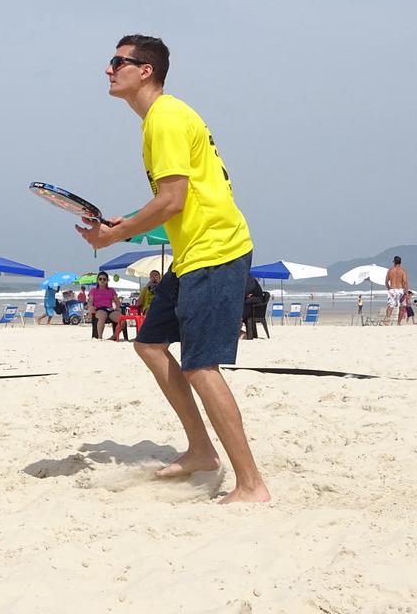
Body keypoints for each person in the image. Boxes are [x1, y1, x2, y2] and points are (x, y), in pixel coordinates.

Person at [77, 34, 269, 503]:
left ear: (145, 70)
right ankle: (201, 450)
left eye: (117, 61)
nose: (108, 69)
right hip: (196, 252)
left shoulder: (163, 118)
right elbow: (178, 201)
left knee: (202, 366)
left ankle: (251, 485)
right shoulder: (165, 117)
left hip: (215, 251)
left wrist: (113, 236)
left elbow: (173, 199)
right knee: (148, 342)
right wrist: (129, 220)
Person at [87, 273, 121, 339]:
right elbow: (90, 301)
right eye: (100, 279)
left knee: (122, 320)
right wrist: (90, 307)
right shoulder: (93, 290)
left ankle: (114, 336)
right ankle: (100, 337)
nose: (102, 280)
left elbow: (117, 301)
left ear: (107, 280)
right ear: (97, 280)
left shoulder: (111, 290)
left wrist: (117, 307)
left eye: (104, 279)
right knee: (102, 315)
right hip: (99, 309)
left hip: (110, 309)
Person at [385, 255, 408, 325]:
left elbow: (386, 282)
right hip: (400, 290)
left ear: (394, 262)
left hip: (392, 290)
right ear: (400, 262)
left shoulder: (390, 270)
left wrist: (389, 289)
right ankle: (398, 323)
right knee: (402, 307)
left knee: (390, 306)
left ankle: (388, 320)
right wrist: (406, 293)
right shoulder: (403, 271)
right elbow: (405, 282)